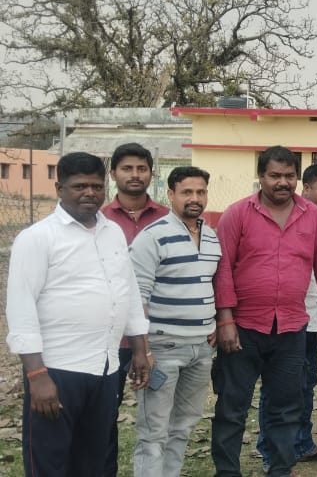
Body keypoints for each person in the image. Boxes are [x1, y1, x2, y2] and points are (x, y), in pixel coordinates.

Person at [7, 152, 150, 477]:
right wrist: (37, 376)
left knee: (93, 462)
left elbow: (128, 291)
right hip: (57, 371)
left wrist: (140, 349)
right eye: (80, 186)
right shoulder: (37, 238)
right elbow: (21, 308)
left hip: (104, 369)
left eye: (96, 186)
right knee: (50, 463)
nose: (90, 193)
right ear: (60, 189)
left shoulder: (112, 232)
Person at [210, 146, 317, 477]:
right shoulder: (237, 213)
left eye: (289, 176)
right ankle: (227, 472)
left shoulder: (312, 215)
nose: (282, 182)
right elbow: (223, 268)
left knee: (286, 408)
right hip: (243, 327)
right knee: (232, 407)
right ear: (261, 176)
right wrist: (225, 319)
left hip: (291, 329)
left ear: (297, 177)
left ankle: (280, 470)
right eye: (275, 176)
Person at [130, 166, 220, 477]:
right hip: (162, 348)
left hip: (201, 350)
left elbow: (208, 285)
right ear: (170, 195)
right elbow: (137, 297)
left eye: (200, 192)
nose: (195, 198)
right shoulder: (152, 236)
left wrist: (213, 324)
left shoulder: (211, 237)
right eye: (187, 192)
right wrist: (143, 350)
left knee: (183, 426)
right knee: (154, 433)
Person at [256, 162, 317, 469]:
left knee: (306, 383)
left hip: (312, 320)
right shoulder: (291, 216)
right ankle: (270, 453)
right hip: (286, 319)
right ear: (305, 188)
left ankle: (301, 443)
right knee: (279, 389)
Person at [101, 142, 169, 475]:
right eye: (127, 168)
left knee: (158, 417)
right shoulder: (98, 220)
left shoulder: (168, 219)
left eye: (141, 169)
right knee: (103, 416)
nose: (135, 175)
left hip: (159, 335)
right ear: (113, 173)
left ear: (151, 174)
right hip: (110, 338)